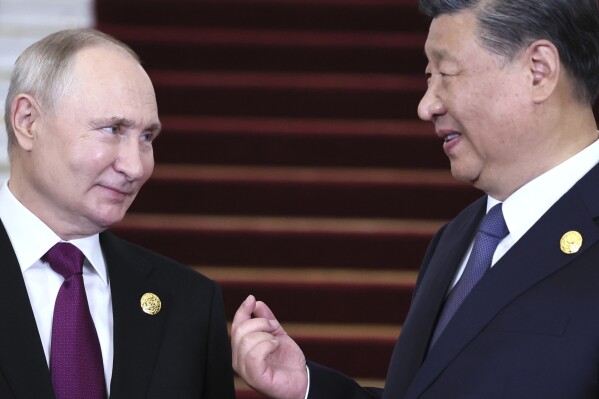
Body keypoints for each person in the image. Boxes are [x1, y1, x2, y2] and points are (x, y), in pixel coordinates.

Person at [230, 0, 599, 398]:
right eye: (428, 76)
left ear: (538, 71)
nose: (427, 105)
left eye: (446, 73)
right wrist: (308, 387)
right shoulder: (459, 237)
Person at [0, 29, 235, 398]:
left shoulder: (189, 304)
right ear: (28, 121)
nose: (135, 167)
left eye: (147, 138)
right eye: (113, 129)